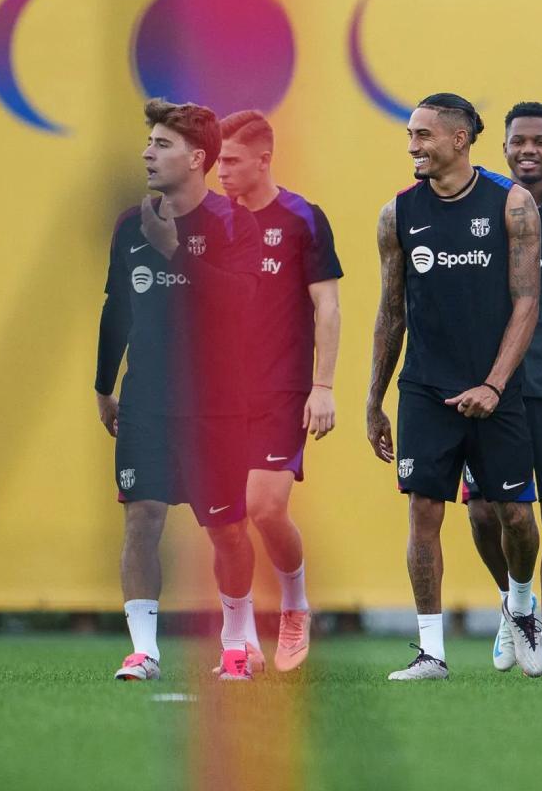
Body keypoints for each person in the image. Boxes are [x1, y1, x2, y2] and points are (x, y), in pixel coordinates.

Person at [366, 93, 542, 681]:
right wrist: (375, 398)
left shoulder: (512, 205)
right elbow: (391, 312)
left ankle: (520, 606)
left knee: (515, 518)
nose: (412, 146)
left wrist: (494, 385)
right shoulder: (397, 214)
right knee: (423, 509)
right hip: (424, 388)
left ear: (458, 140)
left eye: (422, 135)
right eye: (410, 136)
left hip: (497, 389)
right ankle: (431, 652)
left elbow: (527, 304)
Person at [95, 99, 262, 682]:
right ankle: (144, 650)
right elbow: (119, 307)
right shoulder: (127, 224)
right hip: (145, 399)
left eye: (162, 144)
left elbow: (242, 303)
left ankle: (236, 641)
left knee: (226, 527)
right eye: (148, 142)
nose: (147, 152)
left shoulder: (233, 223)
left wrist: (173, 252)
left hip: (216, 403)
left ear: (197, 158)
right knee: (141, 517)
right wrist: (103, 385)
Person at [461, 102, 542, 678]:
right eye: (518, 141)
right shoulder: (478, 213)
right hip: (491, 390)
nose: (528, 150)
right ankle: (517, 606)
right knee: (486, 515)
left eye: (541, 141)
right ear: (504, 148)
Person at [214, 110, 343, 673]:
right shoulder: (210, 223)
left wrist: (323, 386)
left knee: (264, 509)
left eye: (232, 161)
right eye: (216, 160)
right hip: (217, 397)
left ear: (264, 160)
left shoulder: (302, 219)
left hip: (282, 392)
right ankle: (239, 643)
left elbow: (328, 306)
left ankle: (294, 605)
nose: (221, 171)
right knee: (224, 523)